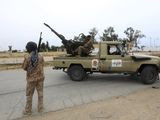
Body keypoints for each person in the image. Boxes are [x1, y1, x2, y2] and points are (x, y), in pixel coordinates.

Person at [22, 41, 45, 115]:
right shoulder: (41, 56)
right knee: (40, 94)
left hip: (31, 79)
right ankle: (40, 108)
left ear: (29, 49)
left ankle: (28, 111)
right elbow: (42, 64)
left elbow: (24, 67)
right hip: (40, 78)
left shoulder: (27, 57)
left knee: (29, 95)